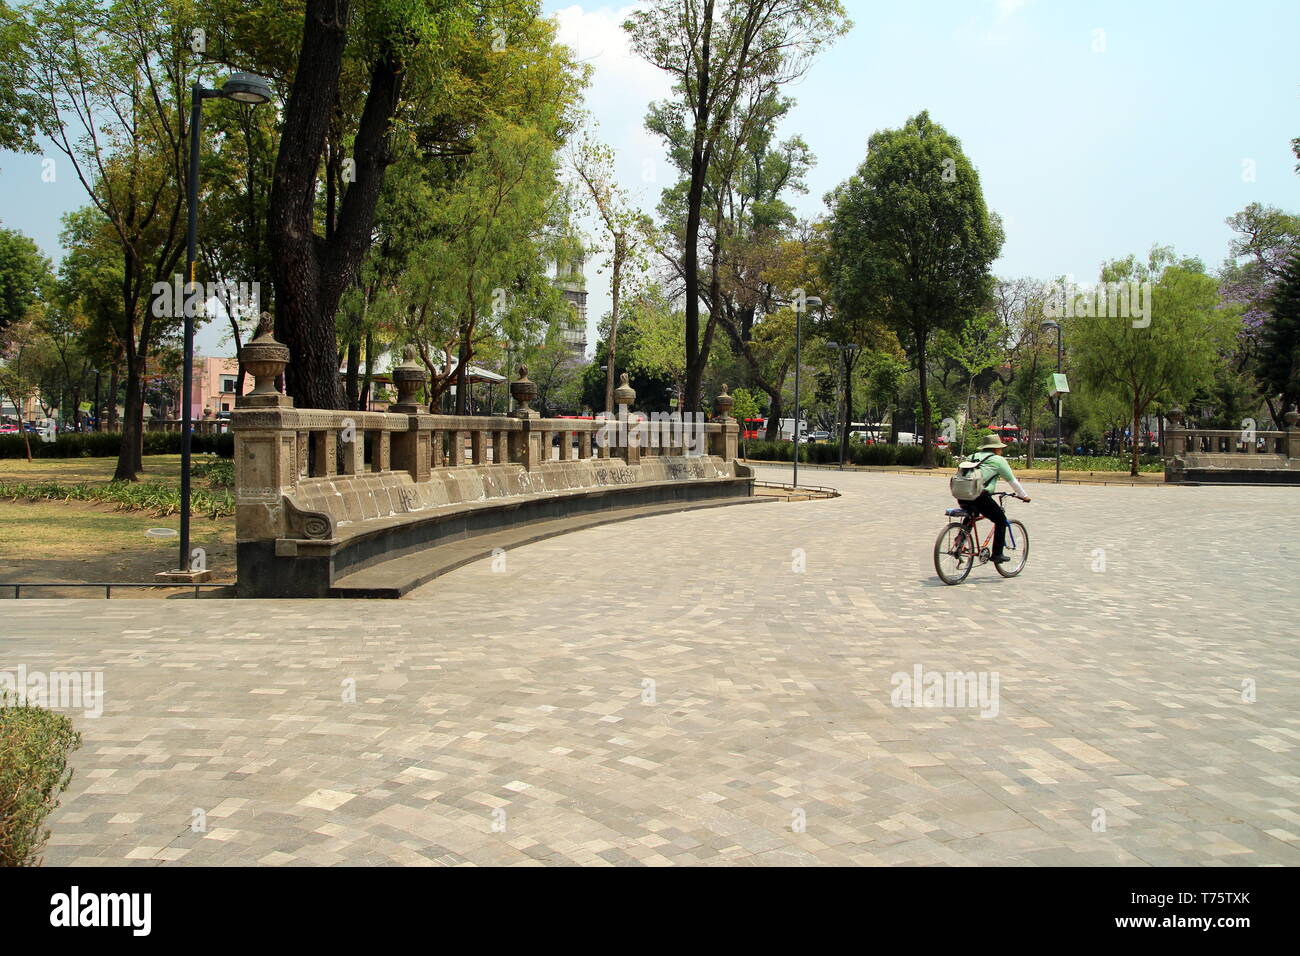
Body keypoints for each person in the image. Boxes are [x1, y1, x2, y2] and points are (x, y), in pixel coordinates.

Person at [959, 436, 1030, 563]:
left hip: (962, 494)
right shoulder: (998, 460)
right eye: (1000, 449)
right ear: (996, 449)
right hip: (980, 495)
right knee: (1001, 520)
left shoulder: (972, 456)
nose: (1001, 451)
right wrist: (1024, 496)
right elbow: (1012, 481)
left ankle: (959, 543)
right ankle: (997, 554)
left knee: (972, 515)